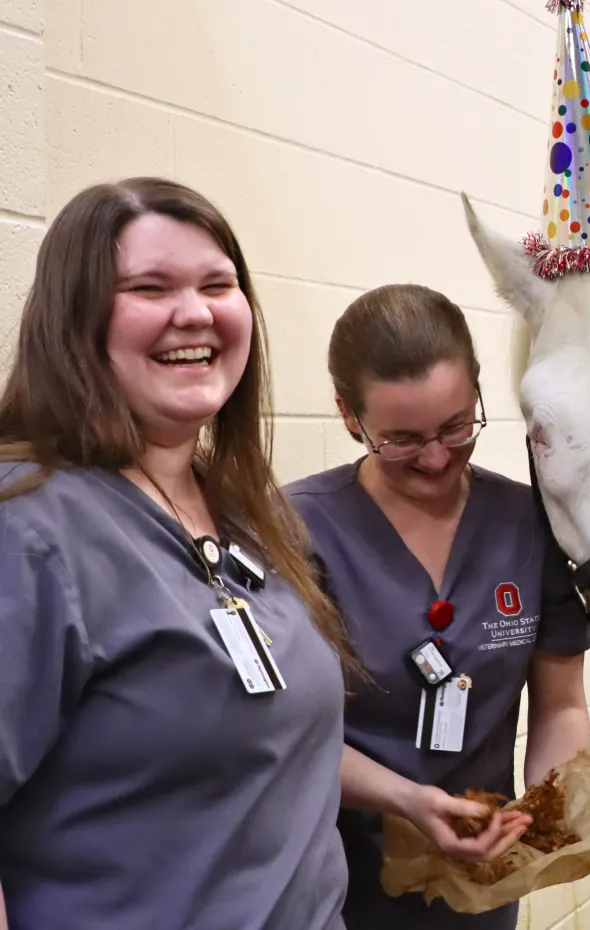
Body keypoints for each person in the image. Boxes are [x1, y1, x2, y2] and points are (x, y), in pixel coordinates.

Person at [0, 177, 355, 929]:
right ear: (76, 321)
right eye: (148, 287)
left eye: (216, 284)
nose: (193, 313)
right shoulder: (28, 528)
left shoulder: (250, 512)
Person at [283, 284, 590, 930]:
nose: (435, 458)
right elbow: (286, 732)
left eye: (457, 426)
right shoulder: (296, 531)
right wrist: (409, 801)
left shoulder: (526, 523)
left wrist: (544, 802)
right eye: (400, 440)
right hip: (335, 884)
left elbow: (561, 703)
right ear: (348, 416)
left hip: (476, 882)